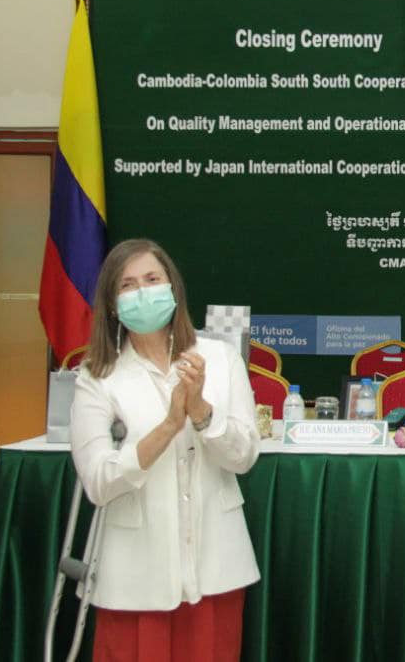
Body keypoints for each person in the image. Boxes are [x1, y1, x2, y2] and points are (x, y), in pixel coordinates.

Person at [69, 239, 260, 661]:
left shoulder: (220, 358)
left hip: (216, 567)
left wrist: (201, 413)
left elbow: (244, 456)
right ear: (112, 304)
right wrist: (169, 426)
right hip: (135, 576)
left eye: (152, 279)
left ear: (172, 286)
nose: (143, 292)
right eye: (128, 285)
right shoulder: (98, 376)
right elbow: (99, 482)